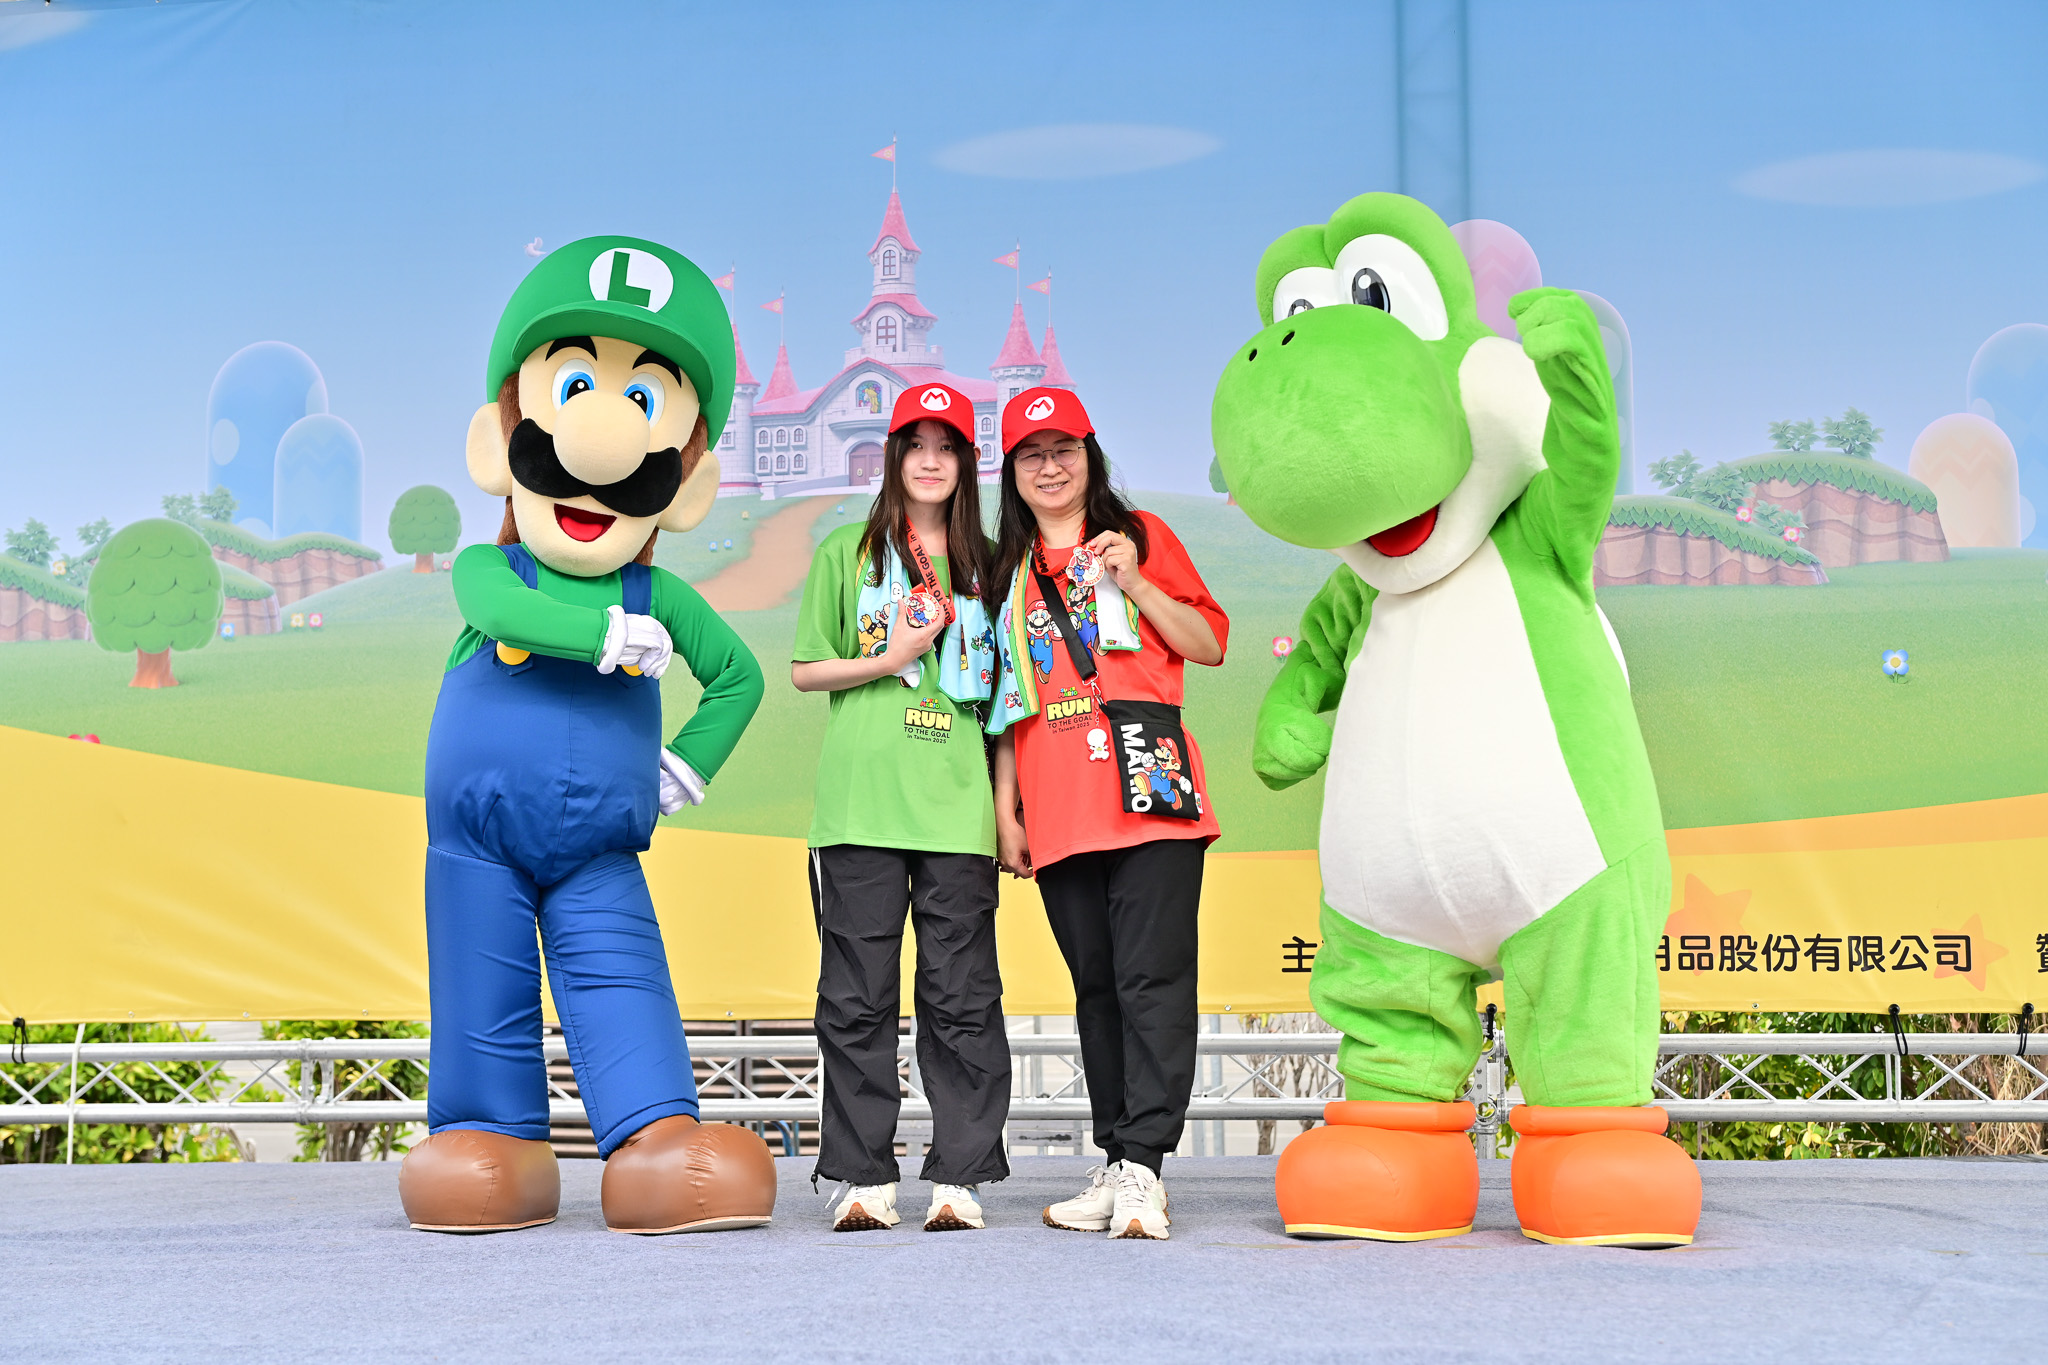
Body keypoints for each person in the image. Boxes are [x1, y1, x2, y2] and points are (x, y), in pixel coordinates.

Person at [983, 386, 1228, 1241]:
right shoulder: (1006, 573)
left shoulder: (1142, 536)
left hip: (1150, 788)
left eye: (1064, 449)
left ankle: (1145, 1167)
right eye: (1032, 454)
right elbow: (1004, 702)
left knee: (1152, 980)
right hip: (1059, 803)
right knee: (1096, 988)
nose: (1050, 467)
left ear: (1090, 454)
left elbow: (1208, 643)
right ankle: (1119, 1156)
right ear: (1012, 472)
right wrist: (1007, 811)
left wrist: (1135, 581)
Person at [792, 381, 1009, 1234]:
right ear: (892, 456)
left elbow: (1007, 705)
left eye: (947, 445)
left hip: (956, 810)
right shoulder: (846, 552)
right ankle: (860, 1173)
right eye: (915, 443)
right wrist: (888, 658)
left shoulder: (992, 563)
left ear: (965, 462)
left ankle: (962, 1173)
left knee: (963, 996)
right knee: (855, 997)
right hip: (860, 805)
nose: (930, 459)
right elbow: (808, 668)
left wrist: (1006, 812)